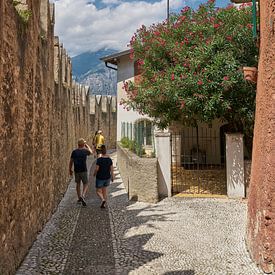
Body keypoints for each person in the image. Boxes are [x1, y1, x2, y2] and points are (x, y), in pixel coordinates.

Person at [69, 138, 93, 206]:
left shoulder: (74, 152)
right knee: (86, 183)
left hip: (76, 170)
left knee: (78, 184)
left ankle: (79, 197)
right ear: (83, 144)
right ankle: (83, 195)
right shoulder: (85, 151)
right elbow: (91, 152)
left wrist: (70, 169)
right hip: (83, 170)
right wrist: (87, 146)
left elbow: (71, 162)